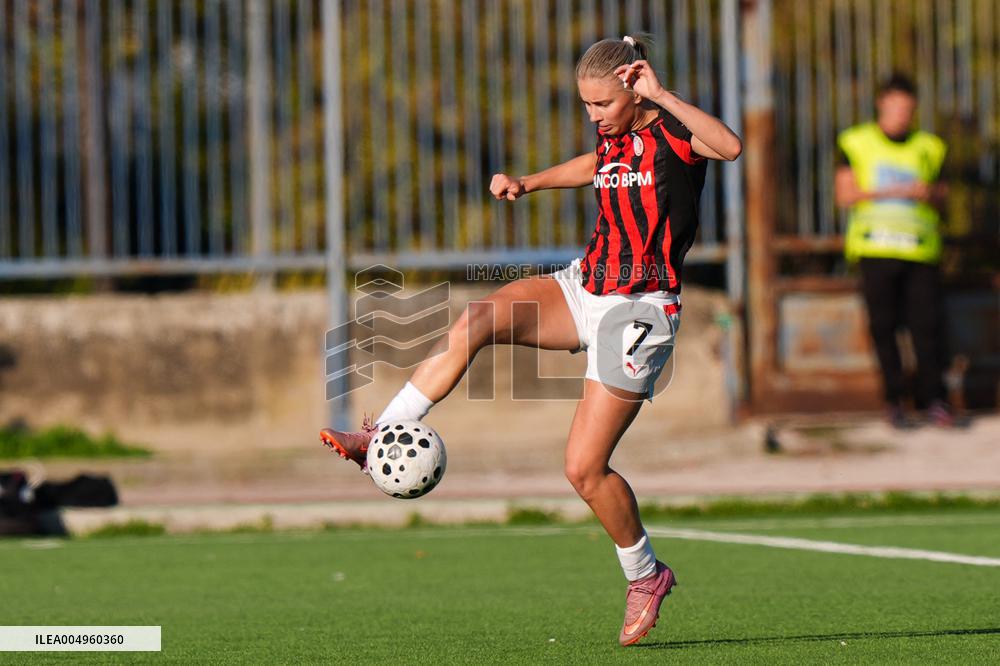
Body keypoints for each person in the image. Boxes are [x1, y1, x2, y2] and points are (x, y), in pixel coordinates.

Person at [321, 34, 741, 646]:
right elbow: (596, 169)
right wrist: (529, 181)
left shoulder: (674, 133)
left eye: (602, 104)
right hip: (585, 286)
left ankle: (646, 576)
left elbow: (729, 146)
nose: (594, 115)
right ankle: (379, 434)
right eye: (586, 105)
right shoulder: (613, 136)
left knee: (583, 468)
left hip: (641, 310)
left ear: (632, 86)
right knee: (478, 319)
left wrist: (659, 93)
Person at [835, 73, 954, 428]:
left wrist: (928, 193)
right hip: (875, 248)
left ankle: (935, 400)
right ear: (881, 103)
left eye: (908, 108)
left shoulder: (930, 147)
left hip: (920, 251)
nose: (902, 114)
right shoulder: (855, 142)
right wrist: (895, 191)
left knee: (927, 328)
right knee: (884, 328)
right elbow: (845, 195)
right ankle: (895, 402)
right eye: (896, 106)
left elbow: (944, 199)